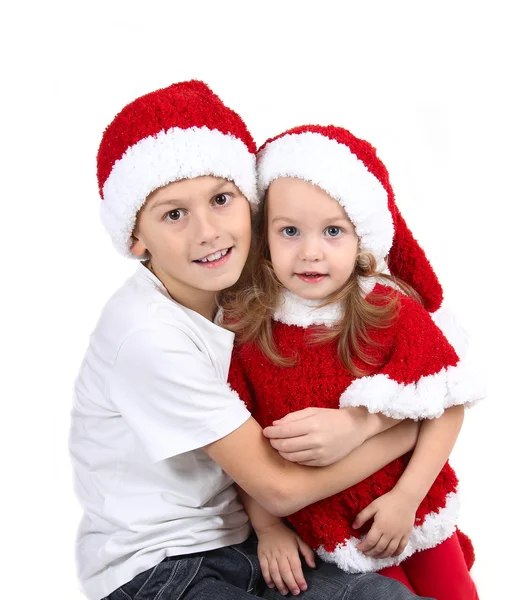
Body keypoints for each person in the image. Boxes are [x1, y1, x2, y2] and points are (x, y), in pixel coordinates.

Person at [69, 81, 435, 600]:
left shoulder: (245, 290)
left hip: (246, 543)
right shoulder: (148, 337)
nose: (208, 232)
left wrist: (360, 423)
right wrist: (401, 428)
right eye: (174, 214)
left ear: (251, 201)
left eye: (221, 199)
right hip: (156, 567)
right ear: (136, 238)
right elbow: (278, 487)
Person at [226, 125, 486, 599]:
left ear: (360, 236)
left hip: (413, 506)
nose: (311, 251)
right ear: (263, 235)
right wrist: (268, 528)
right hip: (331, 533)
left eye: (332, 231)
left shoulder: (389, 308)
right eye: (289, 231)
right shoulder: (247, 330)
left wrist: (406, 498)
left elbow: (446, 404)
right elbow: (236, 443)